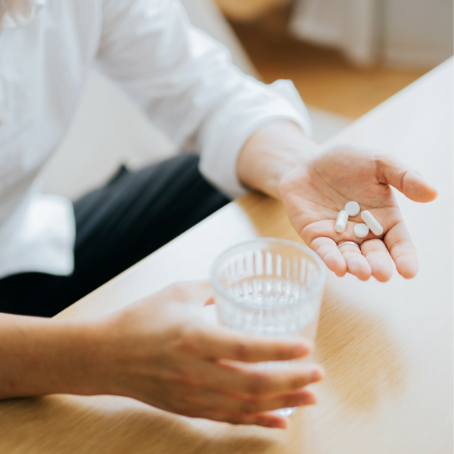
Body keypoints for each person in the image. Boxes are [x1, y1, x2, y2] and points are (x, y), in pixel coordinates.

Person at [0, 0, 437, 430]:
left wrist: (297, 164)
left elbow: (198, 86)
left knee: (204, 175)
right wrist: (95, 358)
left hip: (17, 240)